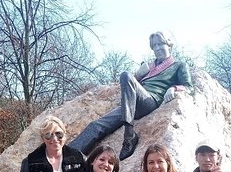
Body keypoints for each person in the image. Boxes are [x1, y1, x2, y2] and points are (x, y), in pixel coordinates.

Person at [69, 31, 192, 161]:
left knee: (126, 75)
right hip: (131, 105)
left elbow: (189, 86)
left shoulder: (179, 65)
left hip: (150, 101)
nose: (157, 48)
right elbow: (130, 87)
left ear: (169, 44)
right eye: (154, 45)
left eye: (160, 44)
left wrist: (174, 88)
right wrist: (139, 75)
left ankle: (129, 136)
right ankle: (67, 155)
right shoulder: (149, 67)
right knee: (96, 125)